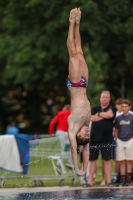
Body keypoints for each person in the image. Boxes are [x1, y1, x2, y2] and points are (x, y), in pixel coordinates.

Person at [66, 8, 91, 176]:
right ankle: (78, 23)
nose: (87, 132)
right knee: (80, 50)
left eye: (85, 134)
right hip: (84, 84)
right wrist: (85, 168)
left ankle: (71, 22)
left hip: (75, 84)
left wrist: (77, 169)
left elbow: (76, 151)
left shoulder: (73, 127)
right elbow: (86, 151)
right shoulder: (86, 124)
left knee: (73, 53)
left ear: (78, 136)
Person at [85, 91, 116, 187]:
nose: (105, 98)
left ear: (109, 99)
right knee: (92, 160)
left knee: (106, 160)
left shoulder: (112, 108)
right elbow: (92, 119)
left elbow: (110, 115)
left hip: (106, 139)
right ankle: (90, 181)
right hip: (94, 138)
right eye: (103, 97)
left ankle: (109, 181)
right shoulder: (95, 108)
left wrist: (98, 115)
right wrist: (103, 114)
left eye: (107, 97)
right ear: (100, 98)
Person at [48, 104, 73, 172]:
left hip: (59, 132)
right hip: (66, 133)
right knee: (66, 149)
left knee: (66, 149)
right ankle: (60, 164)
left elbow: (52, 123)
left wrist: (51, 133)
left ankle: (69, 162)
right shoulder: (71, 114)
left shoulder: (60, 114)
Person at [114, 99, 133, 186]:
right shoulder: (118, 118)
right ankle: (122, 179)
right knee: (121, 161)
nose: (124, 108)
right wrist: (117, 139)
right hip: (120, 140)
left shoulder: (132, 117)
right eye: (123, 107)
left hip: (130, 139)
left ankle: (128, 179)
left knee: (128, 160)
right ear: (121, 107)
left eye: (126, 107)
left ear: (129, 107)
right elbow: (116, 130)